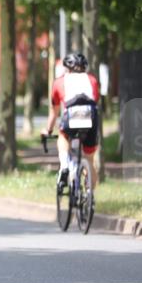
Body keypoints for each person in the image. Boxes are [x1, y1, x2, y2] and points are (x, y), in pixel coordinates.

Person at [44, 52, 100, 191]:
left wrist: (48, 130)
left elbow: (54, 111)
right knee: (89, 160)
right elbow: (95, 99)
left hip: (71, 114)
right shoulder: (92, 80)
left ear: (67, 68)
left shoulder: (59, 82)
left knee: (63, 136)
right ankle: (89, 200)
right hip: (90, 114)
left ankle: (64, 166)